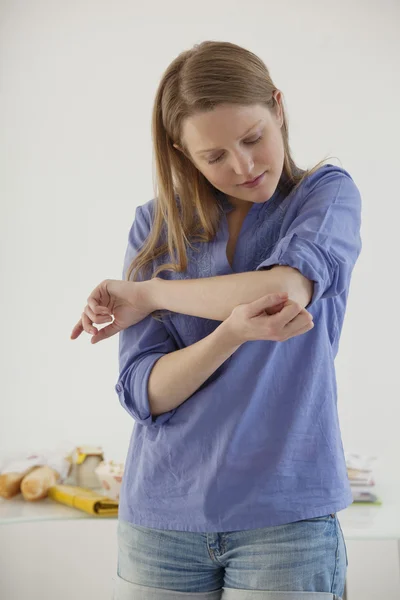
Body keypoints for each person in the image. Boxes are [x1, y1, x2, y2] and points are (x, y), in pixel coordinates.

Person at [71, 40, 361, 599]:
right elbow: (146, 393)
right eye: (215, 156)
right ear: (183, 153)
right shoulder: (155, 226)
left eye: (253, 139)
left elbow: (284, 290)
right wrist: (229, 333)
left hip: (285, 516)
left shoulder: (324, 196)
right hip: (161, 516)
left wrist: (152, 293)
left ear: (278, 107)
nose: (245, 167)